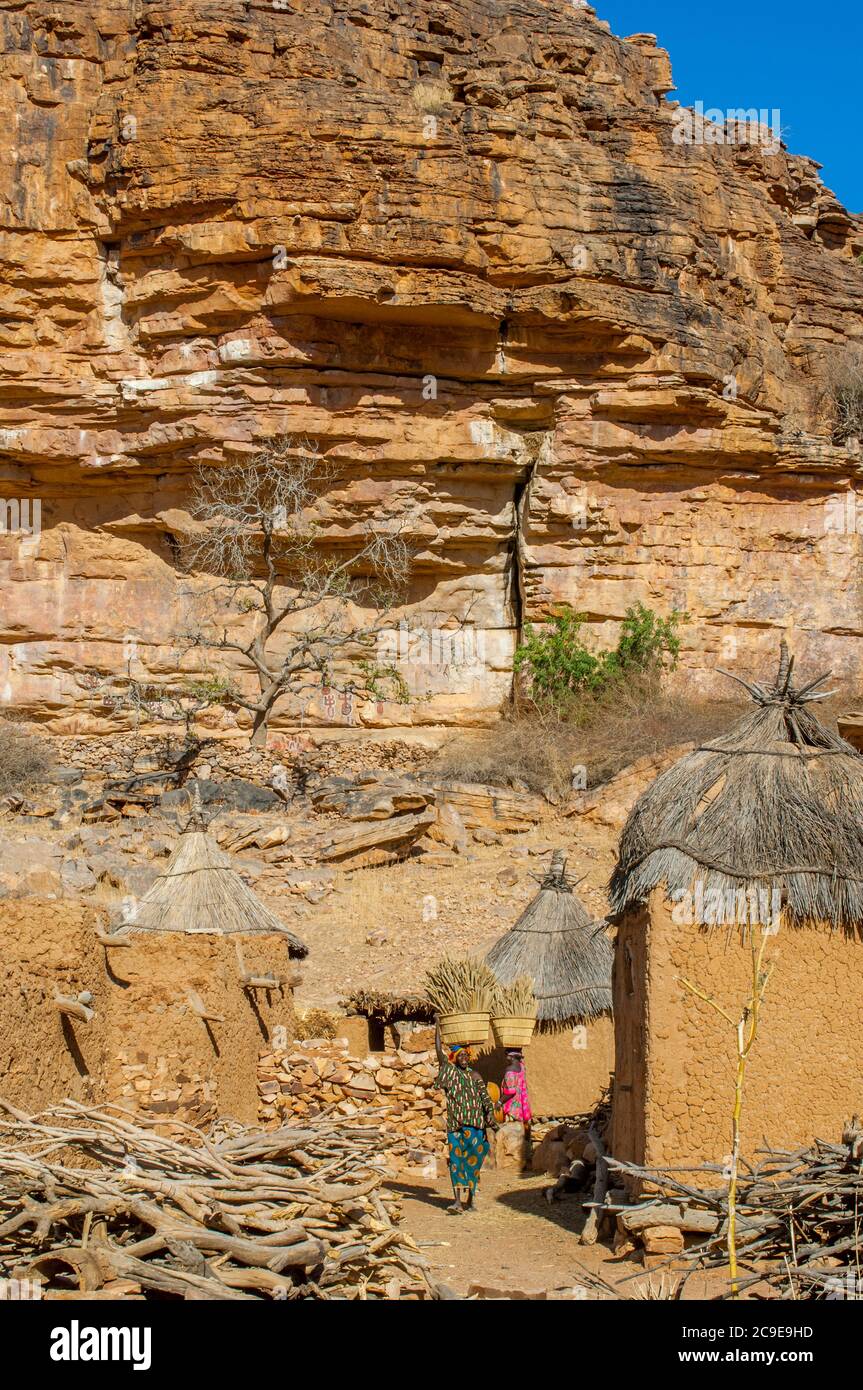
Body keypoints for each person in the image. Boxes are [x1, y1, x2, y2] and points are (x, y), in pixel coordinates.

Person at [434, 1018, 498, 1214]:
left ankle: (470, 1201)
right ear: (455, 1058)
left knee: (472, 1162)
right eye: (460, 1055)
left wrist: (491, 1116)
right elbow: (439, 1051)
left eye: (465, 1055)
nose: (463, 1058)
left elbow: (486, 1099)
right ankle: (457, 1202)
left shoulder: (475, 1076)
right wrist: (437, 1025)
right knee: (456, 1162)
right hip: (456, 1126)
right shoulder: (450, 1072)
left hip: (476, 1127)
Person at [500, 1049, 533, 1140]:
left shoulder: (510, 1070)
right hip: (521, 1104)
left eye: (507, 1055)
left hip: (512, 1107)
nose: (506, 1057)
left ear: (512, 1057)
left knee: (512, 1134)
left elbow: (510, 1092)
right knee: (521, 1131)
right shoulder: (522, 1067)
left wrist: (499, 1102)